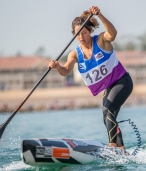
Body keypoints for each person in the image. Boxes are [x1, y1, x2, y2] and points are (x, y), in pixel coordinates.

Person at [48, 6, 133, 152]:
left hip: (122, 81)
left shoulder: (101, 41)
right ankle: (122, 149)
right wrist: (57, 67)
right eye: (77, 34)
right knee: (107, 115)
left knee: (108, 109)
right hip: (109, 87)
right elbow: (65, 71)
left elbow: (113, 33)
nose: (81, 37)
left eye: (84, 33)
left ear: (90, 31)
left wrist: (100, 15)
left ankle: (112, 147)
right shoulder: (74, 54)